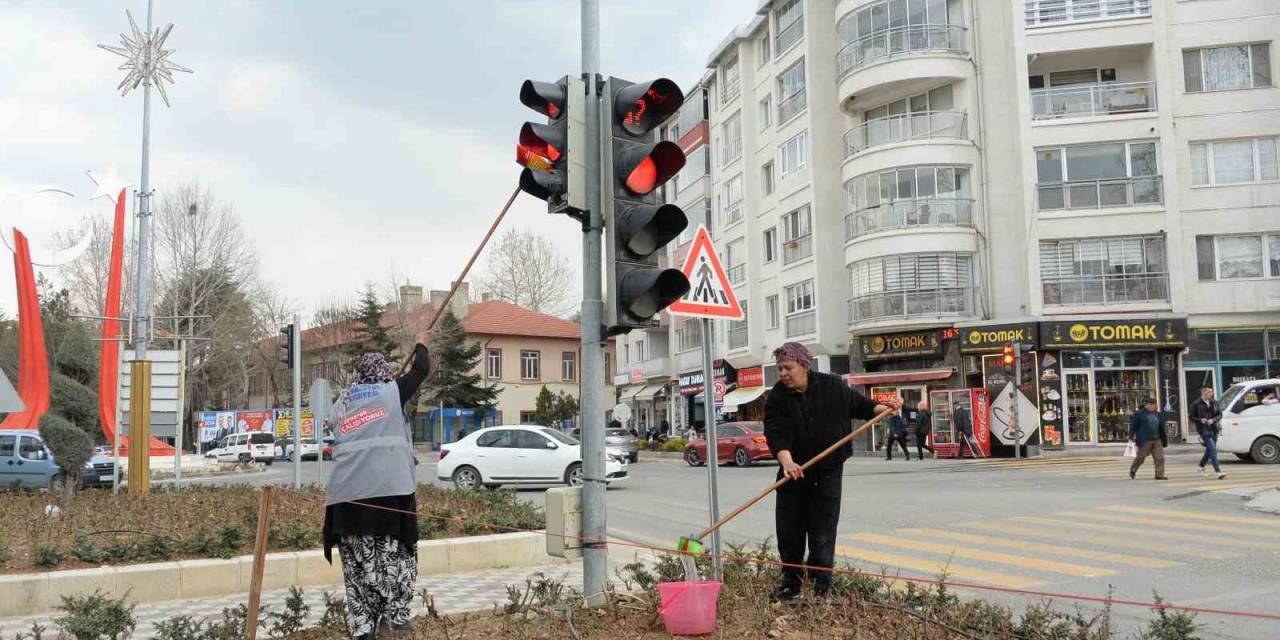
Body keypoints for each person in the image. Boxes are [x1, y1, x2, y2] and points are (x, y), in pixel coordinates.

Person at [764, 342, 899, 600]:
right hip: (794, 473)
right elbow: (775, 432)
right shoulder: (777, 397)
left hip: (827, 473)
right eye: (779, 368)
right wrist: (787, 462)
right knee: (790, 531)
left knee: (822, 532)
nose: (782, 373)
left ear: (804, 365)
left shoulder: (833, 386)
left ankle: (820, 588)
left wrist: (886, 408)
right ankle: (790, 584)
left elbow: (863, 406)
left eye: (787, 368)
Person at [324, 346, 431, 640]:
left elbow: (329, 426)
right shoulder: (392, 392)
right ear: (384, 374)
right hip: (388, 496)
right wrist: (422, 343)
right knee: (394, 562)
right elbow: (420, 369)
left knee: (356, 569)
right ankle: (391, 619)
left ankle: (363, 628)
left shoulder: (342, 400)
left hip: (344, 500)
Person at [1190, 387, 1226, 479]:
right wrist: (1200, 420)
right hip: (1203, 430)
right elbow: (1191, 417)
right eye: (1209, 392)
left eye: (1211, 392)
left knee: (1209, 450)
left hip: (1214, 428)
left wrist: (1213, 420)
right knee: (1213, 449)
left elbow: (1220, 414)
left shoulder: (1214, 402)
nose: (1211, 394)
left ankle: (1201, 466)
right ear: (1203, 393)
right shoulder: (1196, 404)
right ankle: (1218, 472)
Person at [1128, 398, 1167, 480]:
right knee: (1140, 457)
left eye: (1154, 404)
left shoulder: (1158, 414)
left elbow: (1161, 427)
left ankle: (1159, 474)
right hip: (1145, 440)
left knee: (1159, 457)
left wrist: (1163, 438)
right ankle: (1133, 469)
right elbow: (1133, 426)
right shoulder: (1139, 414)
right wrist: (1131, 436)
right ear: (1146, 405)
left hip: (1157, 439)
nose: (1152, 406)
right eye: (1150, 404)